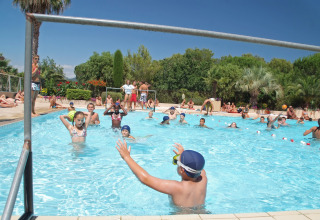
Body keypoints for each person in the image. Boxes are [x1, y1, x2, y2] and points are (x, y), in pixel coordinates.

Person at [115, 140, 207, 208]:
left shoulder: (176, 187)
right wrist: (184, 157)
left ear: (182, 170)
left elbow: (145, 178)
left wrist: (126, 157)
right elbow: (196, 165)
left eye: (176, 162)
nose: (176, 162)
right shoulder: (203, 178)